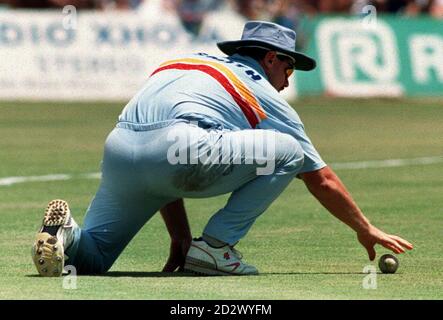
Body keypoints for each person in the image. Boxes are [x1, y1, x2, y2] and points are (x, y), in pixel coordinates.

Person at [31, 21, 413, 277]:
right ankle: (215, 247)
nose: (287, 81)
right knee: (290, 151)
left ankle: (66, 234)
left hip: (120, 150)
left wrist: (180, 237)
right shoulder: (260, 90)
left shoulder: (185, 61)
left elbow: (162, 149)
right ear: (270, 59)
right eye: (289, 69)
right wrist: (364, 229)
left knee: (92, 261)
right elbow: (321, 178)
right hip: (176, 148)